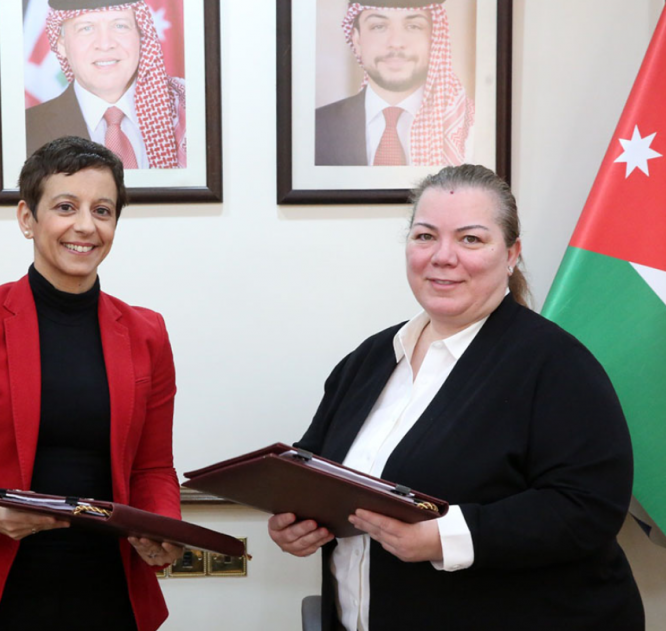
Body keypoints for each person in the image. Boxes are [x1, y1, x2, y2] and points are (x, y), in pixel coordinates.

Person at [268, 165, 644, 630]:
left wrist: (445, 538)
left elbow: (588, 508)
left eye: (470, 239)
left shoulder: (557, 364)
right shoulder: (368, 360)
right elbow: (313, 469)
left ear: (511, 254)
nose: (443, 257)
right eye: (426, 236)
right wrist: (297, 521)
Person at [0, 136, 182, 631]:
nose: (86, 226)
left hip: (105, 586)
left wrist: (164, 527)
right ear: (27, 218)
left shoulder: (146, 332)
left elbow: (153, 468)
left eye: (103, 210)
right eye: (66, 207)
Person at [25, 0, 186, 169]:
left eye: (120, 26)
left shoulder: (187, 111)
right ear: (61, 46)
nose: (105, 43)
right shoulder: (26, 129)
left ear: (141, 36)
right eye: (86, 28)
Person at [315, 0, 473, 167]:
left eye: (413, 27)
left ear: (434, 39)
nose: (396, 42)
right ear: (357, 40)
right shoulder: (315, 128)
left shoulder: (470, 127)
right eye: (378, 27)